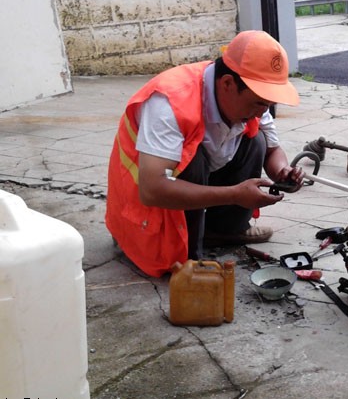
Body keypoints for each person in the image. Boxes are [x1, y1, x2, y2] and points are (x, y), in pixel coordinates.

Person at [105, 30, 304, 277]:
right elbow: (152, 189)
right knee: (191, 160)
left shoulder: (251, 97)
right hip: (144, 210)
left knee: (256, 141)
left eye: (268, 104)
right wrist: (234, 195)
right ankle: (189, 251)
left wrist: (282, 172)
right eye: (259, 103)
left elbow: (273, 150)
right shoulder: (169, 102)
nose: (262, 112)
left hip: (197, 177)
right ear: (228, 83)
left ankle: (222, 231)